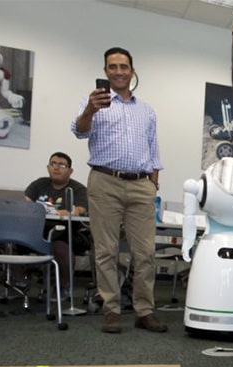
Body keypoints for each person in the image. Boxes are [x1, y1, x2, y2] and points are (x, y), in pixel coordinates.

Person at [71, 47, 166, 334]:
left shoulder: (146, 110)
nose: (119, 71)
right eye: (112, 67)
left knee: (145, 253)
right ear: (105, 72)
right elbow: (79, 130)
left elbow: (154, 152)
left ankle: (144, 311)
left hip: (141, 185)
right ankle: (111, 310)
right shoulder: (94, 104)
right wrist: (90, 108)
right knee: (106, 251)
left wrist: (153, 184)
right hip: (105, 182)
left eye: (124, 66)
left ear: (132, 71)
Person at [23, 152, 91, 295]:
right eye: (53, 164)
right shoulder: (39, 184)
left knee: (60, 246)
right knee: (13, 239)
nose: (56, 168)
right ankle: (18, 282)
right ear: (48, 167)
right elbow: (27, 205)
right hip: (38, 230)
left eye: (62, 165)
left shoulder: (78, 189)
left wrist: (59, 212)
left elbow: (79, 210)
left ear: (70, 170)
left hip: (68, 232)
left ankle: (65, 285)